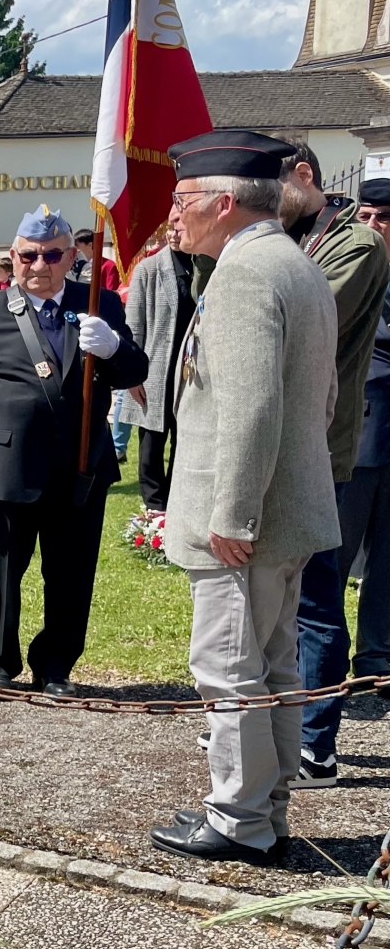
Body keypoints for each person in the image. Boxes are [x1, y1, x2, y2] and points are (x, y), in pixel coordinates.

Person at [151, 132, 341, 864]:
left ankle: (239, 819)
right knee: (274, 666)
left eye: (182, 199)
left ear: (223, 202)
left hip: (246, 523)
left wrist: (233, 514)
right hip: (288, 510)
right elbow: (324, 397)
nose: (173, 213)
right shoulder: (295, 262)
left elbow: (253, 408)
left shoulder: (245, 273)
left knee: (229, 669)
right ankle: (268, 806)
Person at [0, 205, 148, 694]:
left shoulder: (98, 303)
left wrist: (114, 348)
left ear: (71, 257)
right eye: (29, 256)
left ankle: (56, 665)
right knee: (3, 570)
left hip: (82, 464)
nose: (39, 265)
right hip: (10, 466)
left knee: (72, 572)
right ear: (13, 256)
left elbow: (134, 372)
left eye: (52, 255)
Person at [286, 146, 390, 788]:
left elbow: (306, 322)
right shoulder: (307, 243)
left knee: (328, 589)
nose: (377, 226)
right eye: (371, 214)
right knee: (310, 583)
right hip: (344, 439)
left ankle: (319, 733)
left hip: (344, 440)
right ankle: (287, 725)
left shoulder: (354, 250)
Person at [337, 182, 390, 694]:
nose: (373, 227)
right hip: (361, 431)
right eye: (366, 216)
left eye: (384, 218)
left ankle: (377, 659)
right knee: (336, 553)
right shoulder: (347, 267)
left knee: (389, 560)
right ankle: (321, 661)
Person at [117, 240, 201, 511]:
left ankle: (176, 499)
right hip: (155, 369)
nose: (174, 234)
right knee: (152, 440)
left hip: (191, 371)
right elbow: (134, 326)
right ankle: (154, 505)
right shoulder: (148, 269)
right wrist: (133, 375)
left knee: (184, 438)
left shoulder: (205, 263)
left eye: (179, 226)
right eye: (170, 228)